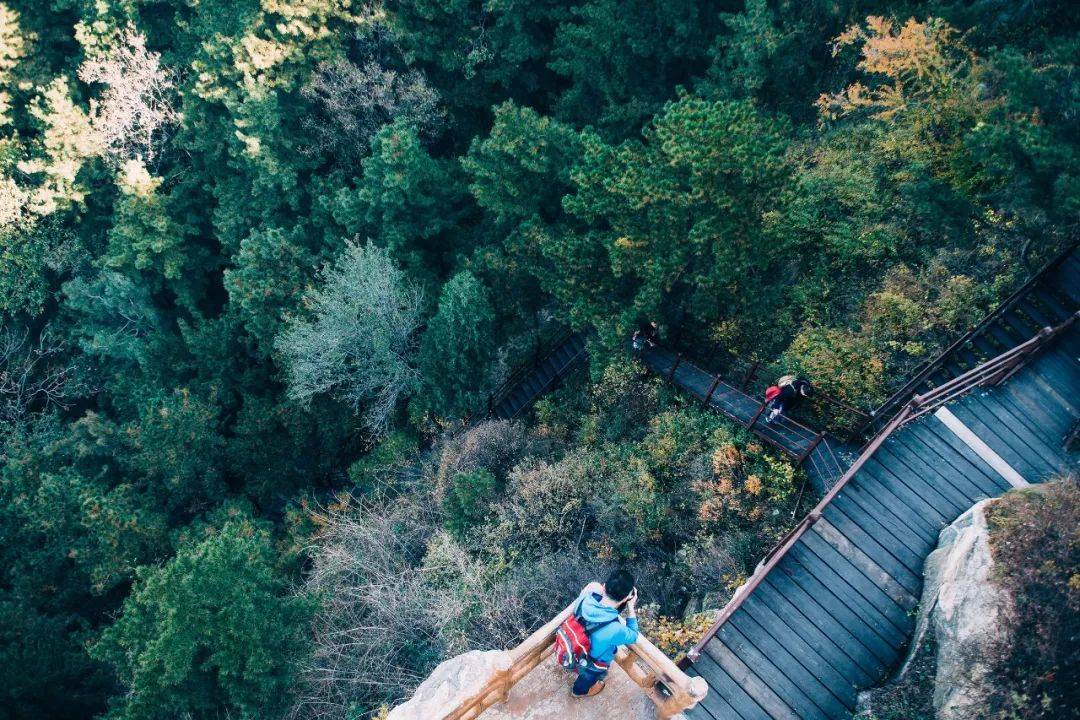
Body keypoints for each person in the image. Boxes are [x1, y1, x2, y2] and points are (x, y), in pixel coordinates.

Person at [570, 569, 639, 698]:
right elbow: (633, 636)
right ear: (627, 598)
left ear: (604, 586)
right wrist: (630, 607)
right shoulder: (615, 629)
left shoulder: (586, 597)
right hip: (591, 663)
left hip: (573, 645)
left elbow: (593, 589)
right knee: (587, 678)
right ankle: (578, 692)